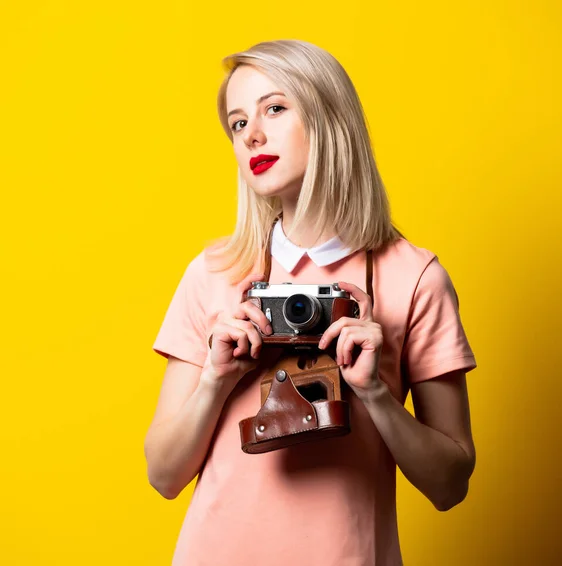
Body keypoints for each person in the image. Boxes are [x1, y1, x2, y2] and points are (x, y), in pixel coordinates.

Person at [145, 39, 477, 566]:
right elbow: (163, 476)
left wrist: (373, 393)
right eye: (237, 123)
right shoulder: (215, 272)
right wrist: (216, 378)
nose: (251, 134)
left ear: (329, 117)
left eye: (274, 108)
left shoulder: (414, 278)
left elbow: (450, 484)